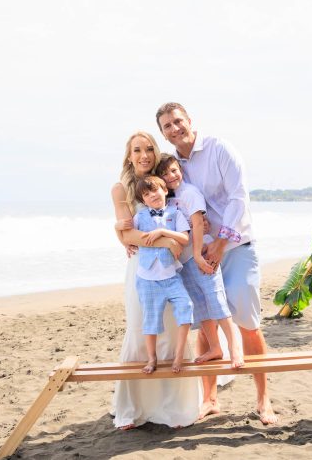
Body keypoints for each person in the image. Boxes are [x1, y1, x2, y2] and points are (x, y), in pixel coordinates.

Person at [155, 103, 278, 425]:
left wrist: (221, 242)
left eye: (178, 121)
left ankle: (263, 399)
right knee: (206, 320)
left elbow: (239, 197)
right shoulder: (169, 166)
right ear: (163, 134)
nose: (175, 128)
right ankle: (209, 399)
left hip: (236, 246)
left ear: (189, 120)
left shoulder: (219, 149)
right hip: (200, 253)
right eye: (167, 126)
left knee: (247, 320)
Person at [110, 132, 201, 430]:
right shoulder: (121, 189)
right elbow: (129, 234)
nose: (144, 155)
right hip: (141, 269)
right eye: (137, 150)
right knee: (141, 328)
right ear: (129, 155)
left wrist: (172, 239)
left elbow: (183, 221)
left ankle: (175, 408)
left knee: (172, 331)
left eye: (149, 148)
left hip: (170, 269)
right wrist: (165, 241)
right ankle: (133, 408)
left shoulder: (164, 183)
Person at [156, 154, 245, 369]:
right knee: (201, 306)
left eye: (174, 170)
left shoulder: (190, 193)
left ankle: (235, 349)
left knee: (217, 300)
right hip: (184, 260)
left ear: (181, 170)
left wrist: (197, 255)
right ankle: (215, 348)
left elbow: (197, 224)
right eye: (165, 174)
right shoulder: (170, 200)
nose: (171, 176)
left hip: (202, 256)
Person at [131, 175, 193, 374]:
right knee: (150, 319)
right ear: (143, 200)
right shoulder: (139, 217)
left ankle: (179, 355)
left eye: (155, 190)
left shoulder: (176, 214)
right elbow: (129, 237)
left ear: (165, 190)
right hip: (147, 277)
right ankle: (152, 358)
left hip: (171, 276)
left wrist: (163, 232)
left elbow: (184, 238)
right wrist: (123, 239)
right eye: (146, 194)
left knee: (186, 307)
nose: (152, 196)